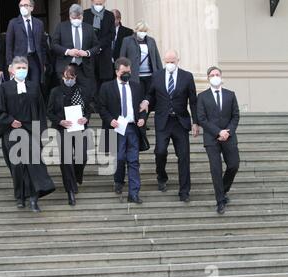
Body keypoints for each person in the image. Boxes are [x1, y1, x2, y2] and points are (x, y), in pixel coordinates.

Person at [0, 56, 55, 213]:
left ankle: (34, 198)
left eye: (24, 68)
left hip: (31, 130)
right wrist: (10, 121)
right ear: (12, 70)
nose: (21, 70)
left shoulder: (34, 87)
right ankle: (20, 196)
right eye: (18, 68)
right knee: (18, 166)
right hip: (12, 132)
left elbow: (41, 111)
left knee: (33, 164)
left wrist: (42, 132)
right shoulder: (4, 88)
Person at [141, 50, 199, 202]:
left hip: (180, 122)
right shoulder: (157, 75)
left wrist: (196, 122)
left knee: (184, 157)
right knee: (160, 152)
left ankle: (184, 191)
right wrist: (146, 101)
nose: (170, 64)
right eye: (167, 61)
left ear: (178, 60)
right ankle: (161, 176)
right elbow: (150, 94)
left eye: (172, 61)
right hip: (163, 121)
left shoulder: (187, 76)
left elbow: (193, 101)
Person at [97, 57, 147, 204]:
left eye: (129, 71)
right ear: (117, 71)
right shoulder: (107, 87)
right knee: (119, 158)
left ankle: (134, 193)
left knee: (133, 161)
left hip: (132, 127)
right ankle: (118, 180)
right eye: (124, 72)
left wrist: (143, 118)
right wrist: (110, 120)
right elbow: (101, 107)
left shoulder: (137, 86)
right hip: (117, 127)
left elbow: (142, 106)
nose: (127, 74)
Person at [47, 64, 93, 206]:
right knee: (66, 160)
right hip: (63, 129)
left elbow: (88, 109)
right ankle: (70, 191)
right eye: (67, 77)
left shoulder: (82, 91)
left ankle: (76, 176)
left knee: (82, 157)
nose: (69, 80)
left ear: (75, 78)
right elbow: (49, 112)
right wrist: (60, 121)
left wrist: (86, 118)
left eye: (71, 77)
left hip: (79, 128)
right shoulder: (55, 92)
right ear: (62, 77)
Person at [197, 67, 240, 215]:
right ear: (208, 78)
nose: (215, 77)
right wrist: (218, 132)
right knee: (216, 169)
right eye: (212, 75)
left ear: (221, 76)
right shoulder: (202, 96)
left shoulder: (230, 95)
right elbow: (202, 118)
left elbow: (236, 115)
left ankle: (224, 188)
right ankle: (220, 200)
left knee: (234, 165)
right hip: (211, 138)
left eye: (217, 74)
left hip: (229, 136)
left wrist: (228, 131)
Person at [52, 4, 100, 101]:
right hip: (66, 66)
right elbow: (54, 45)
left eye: (79, 17)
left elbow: (97, 46)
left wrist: (87, 53)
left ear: (82, 16)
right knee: (67, 95)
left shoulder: (89, 28)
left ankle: (84, 115)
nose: (77, 20)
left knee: (86, 94)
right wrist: (68, 51)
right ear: (70, 16)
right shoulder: (61, 27)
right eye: (74, 17)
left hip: (84, 67)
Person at [6, 0, 47, 85]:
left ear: (32, 8)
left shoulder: (39, 23)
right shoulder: (13, 23)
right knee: (21, 86)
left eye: (25, 5)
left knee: (35, 86)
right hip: (19, 60)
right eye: (21, 5)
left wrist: (43, 62)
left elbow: (43, 45)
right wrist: (10, 64)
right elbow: (9, 45)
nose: (23, 7)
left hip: (35, 59)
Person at [120, 20, 163, 97]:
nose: (143, 33)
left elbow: (156, 58)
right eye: (141, 30)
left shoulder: (151, 41)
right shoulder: (127, 40)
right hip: (135, 76)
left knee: (150, 98)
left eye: (145, 31)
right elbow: (122, 58)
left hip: (150, 75)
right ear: (136, 30)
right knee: (137, 97)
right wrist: (122, 73)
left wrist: (161, 73)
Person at [83, 0, 116, 89]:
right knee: (91, 82)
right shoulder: (85, 14)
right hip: (89, 53)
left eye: (100, 4)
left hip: (104, 53)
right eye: (96, 4)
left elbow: (112, 34)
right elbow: (83, 32)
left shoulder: (109, 15)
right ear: (92, 2)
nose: (98, 5)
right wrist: (93, 47)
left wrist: (99, 46)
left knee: (105, 83)